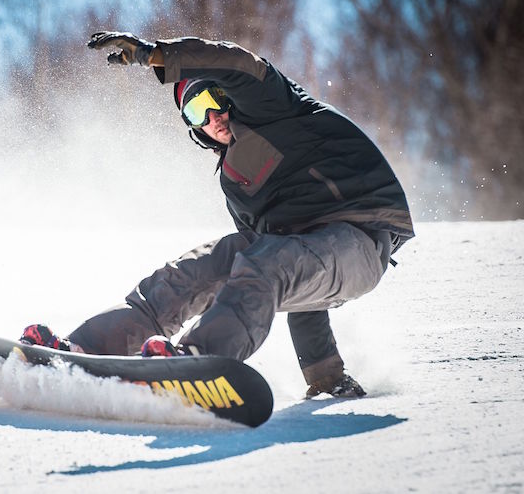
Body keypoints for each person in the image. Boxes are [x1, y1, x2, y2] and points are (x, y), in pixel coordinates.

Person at [21, 31, 414, 398]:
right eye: (196, 111)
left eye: (214, 98)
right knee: (197, 270)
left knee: (264, 261)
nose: (213, 117)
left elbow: (232, 62)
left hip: (360, 239)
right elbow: (285, 281)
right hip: (303, 252)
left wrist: (156, 56)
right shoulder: (237, 184)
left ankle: (197, 364)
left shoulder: (274, 107)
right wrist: (325, 375)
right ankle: (83, 350)